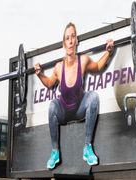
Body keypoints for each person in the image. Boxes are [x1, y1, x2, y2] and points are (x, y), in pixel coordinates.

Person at [34, 22, 114, 170]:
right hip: (63, 111)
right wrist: (39, 74)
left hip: (79, 109)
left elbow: (97, 67)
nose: (70, 41)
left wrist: (108, 52)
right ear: (64, 44)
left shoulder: (83, 61)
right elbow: (49, 83)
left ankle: (87, 147)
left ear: (76, 41)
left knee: (93, 97)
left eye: (73, 37)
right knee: (52, 105)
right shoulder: (59, 67)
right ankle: (55, 151)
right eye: (67, 38)